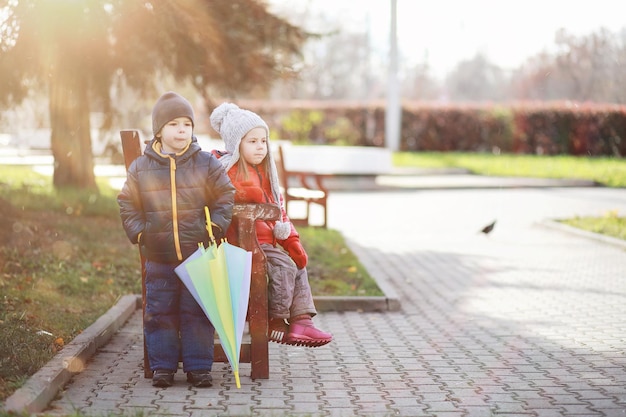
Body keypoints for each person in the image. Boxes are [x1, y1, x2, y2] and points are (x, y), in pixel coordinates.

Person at [117, 92, 235, 388]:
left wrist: (214, 228)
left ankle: (198, 368)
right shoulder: (142, 167)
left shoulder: (206, 163)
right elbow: (127, 202)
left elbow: (225, 196)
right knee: (160, 312)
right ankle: (163, 368)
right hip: (159, 256)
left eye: (186, 124)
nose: (181, 130)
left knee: (197, 311)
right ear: (159, 130)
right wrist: (141, 232)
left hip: (198, 252)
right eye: (173, 124)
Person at [209, 102, 332, 348]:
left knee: (298, 263)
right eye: (252, 141)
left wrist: (292, 240)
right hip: (242, 244)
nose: (260, 147)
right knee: (283, 265)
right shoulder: (226, 171)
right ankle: (275, 320)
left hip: (267, 242)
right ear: (236, 144)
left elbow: (280, 212)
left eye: (263, 141)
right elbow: (226, 196)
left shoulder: (266, 174)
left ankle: (301, 322)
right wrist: (248, 193)